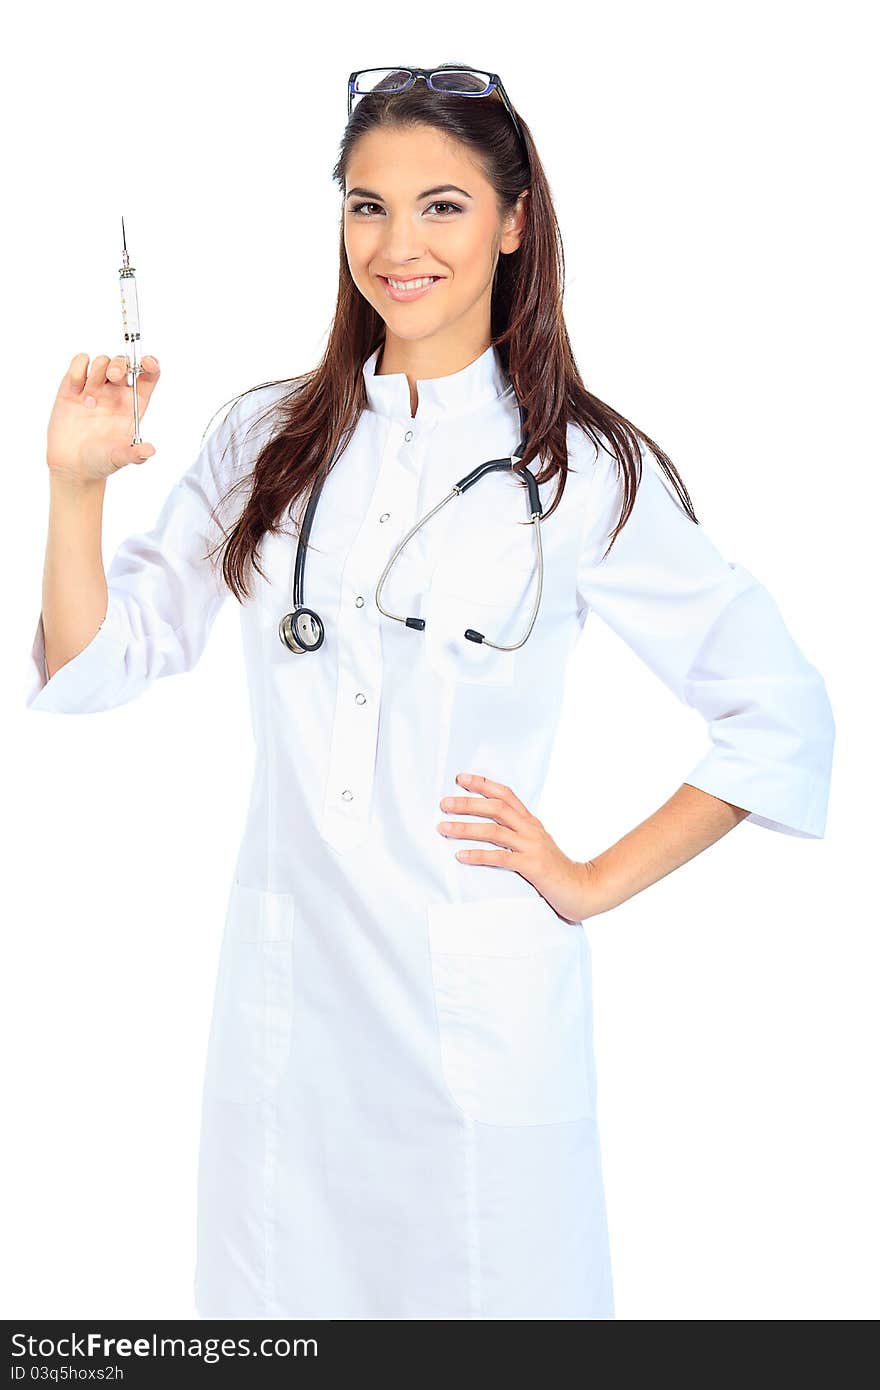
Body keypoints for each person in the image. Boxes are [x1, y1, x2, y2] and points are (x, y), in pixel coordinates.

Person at [25, 64, 835, 1321]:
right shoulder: (263, 441)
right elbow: (93, 667)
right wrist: (78, 489)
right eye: (366, 207)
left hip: (479, 1019)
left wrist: (585, 880)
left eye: (442, 207)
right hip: (287, 1021)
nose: (398, 247)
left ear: (515, 220)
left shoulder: (580, 472)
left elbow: (780, 711)